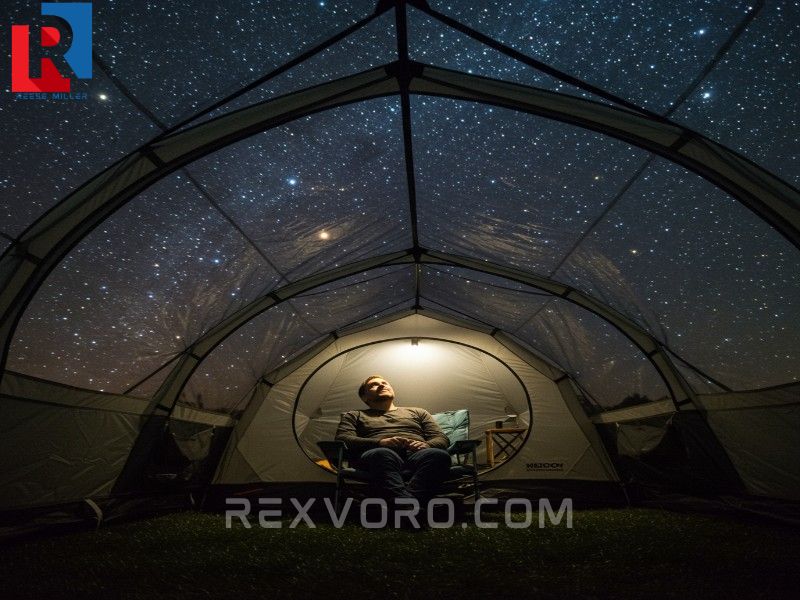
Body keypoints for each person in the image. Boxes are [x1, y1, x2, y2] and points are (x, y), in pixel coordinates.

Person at [335, 374, 452, 503]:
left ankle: (405, 505)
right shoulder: (354, 415)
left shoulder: (418, 412)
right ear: (364, 397)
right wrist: (379, 443)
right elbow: (343, 438)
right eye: (373, 385)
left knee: (439, 455)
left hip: (417, 455)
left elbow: (441, 438)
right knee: (383, 454)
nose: (381, 385)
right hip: (377, 456)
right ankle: (410, 507)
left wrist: (427, 445)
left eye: (384, 383)